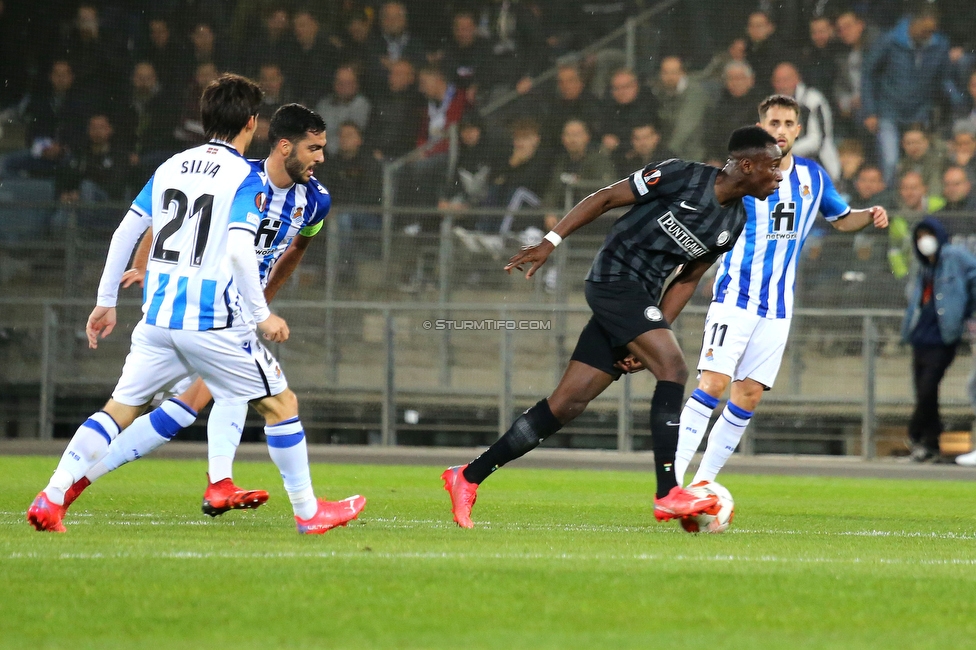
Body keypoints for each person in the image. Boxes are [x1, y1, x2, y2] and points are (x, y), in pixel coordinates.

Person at [26, 78, 365, 534]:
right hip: (215, 315)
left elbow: (128, 229)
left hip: (161, 314)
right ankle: (306, 513)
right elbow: (241, 247)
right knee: (281, 404)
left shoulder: (173, 165)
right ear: (255, 126)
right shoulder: (245, 177)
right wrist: (261, 314)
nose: (320, 158)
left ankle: (54, 495)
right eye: (314, 148)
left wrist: (106, 301)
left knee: (123, 408)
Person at [440, 125, 785, 528]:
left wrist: (653, 333)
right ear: (747, 164)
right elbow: (604, 198)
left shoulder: (734, 222)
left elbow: (687, 279)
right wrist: (551, 242)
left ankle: (467, 476)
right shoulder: (681, 175)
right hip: (612, 279)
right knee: (673, 368)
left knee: (566, 404)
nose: (779, 175)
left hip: (640, 300)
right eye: (774, 167)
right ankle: (667, 493)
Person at [673, 95, 888, 488]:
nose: (782, 130)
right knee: (714, 384)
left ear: (799, 130)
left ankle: (702, 486)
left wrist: (868, 215)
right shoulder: (740, 173)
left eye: (789, 123)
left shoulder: (813, 177)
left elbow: (840, 220)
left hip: (777, 308)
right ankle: (670, 482)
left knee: (749, 394)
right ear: (761, 128)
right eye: (774, 123)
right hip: (735, 296)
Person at [901, 217, 976, 462]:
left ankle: (914, 433)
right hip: (921, 336)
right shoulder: (923, 266)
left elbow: (973, 277)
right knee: (925, 393)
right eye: (919, 236)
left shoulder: (954, 256)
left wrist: (967, 311)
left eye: (927, 234)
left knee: (927, 389)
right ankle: (930, 444)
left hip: (943, 337)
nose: (924, 241)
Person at [861, 3, 963, 184]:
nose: (928, 35)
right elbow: (868, 74)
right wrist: (870, 111)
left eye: (932, 31)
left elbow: (944, 79)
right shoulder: (890, 40)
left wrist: (958, 100)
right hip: (889, 111)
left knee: (923, 164)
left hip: (919, 113)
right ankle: (889, 207)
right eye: (925, 30)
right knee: (890, 162)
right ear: (913, 23)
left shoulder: (939, 44)